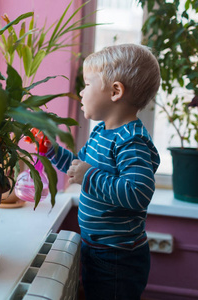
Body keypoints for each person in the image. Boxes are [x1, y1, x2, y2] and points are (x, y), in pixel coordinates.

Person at [45, 44, 161, 300]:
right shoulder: (101, 133)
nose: (81, 92)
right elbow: (78, 168)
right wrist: (52, 150)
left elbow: (138, 192)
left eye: (87, 84)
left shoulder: (131, 141)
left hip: (119, 258)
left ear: (115, 91)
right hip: (97, 249)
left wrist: (89, 176)